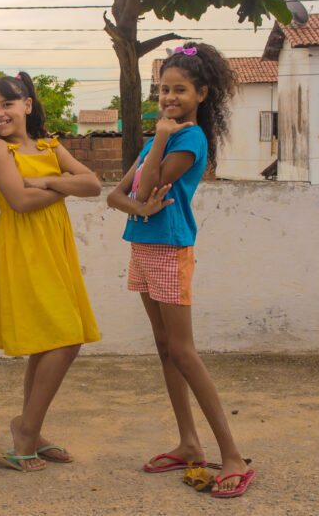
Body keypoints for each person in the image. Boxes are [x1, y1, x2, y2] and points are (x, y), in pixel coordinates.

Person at [106, 42, 254, 498]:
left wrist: (146, 185)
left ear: (202, 93)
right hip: (144, 247)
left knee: (184, 351)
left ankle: (231, 455)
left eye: (180, 90)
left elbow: (146, 187)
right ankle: (189, 444)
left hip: (171, 248)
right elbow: (116, 196)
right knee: (165, 347)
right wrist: (139, 203)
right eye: (163, 90)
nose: (169, 98)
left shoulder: (187, 139)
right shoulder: (158, 138)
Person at [0, 73, 101, 472]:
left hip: (54, 249)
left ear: (27, 105)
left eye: (8, 104)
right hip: (24, 249)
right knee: (66, 339)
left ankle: (28, 426)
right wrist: (64, 185)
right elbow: (19, 200)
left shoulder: (50, 145)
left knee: (50, 341)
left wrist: (48, 179)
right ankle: (27, 432)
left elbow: (93, 184)